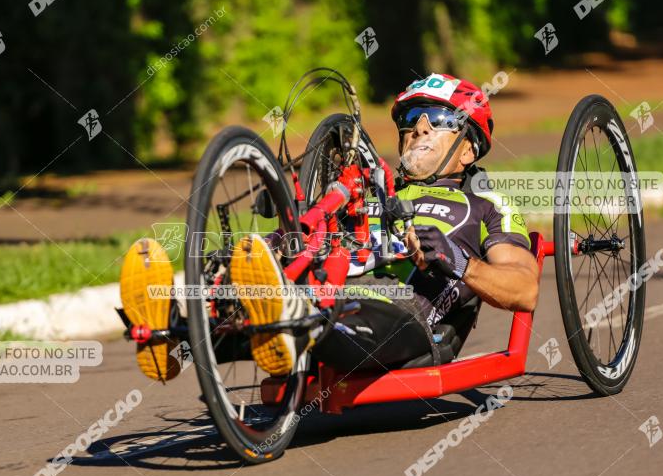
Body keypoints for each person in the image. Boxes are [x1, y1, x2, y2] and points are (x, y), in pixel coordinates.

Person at [120, 73, 538, 380]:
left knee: (327, 308)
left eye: (437, 118)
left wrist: (461, 263)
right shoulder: (373, 190)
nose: (419, 127)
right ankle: (171, 329)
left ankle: (284, 318)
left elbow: (525, 287)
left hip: (407, 319)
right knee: (282, 269)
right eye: (411, 118)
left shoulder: (485, 204)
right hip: (331, 290)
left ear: (468, 149)